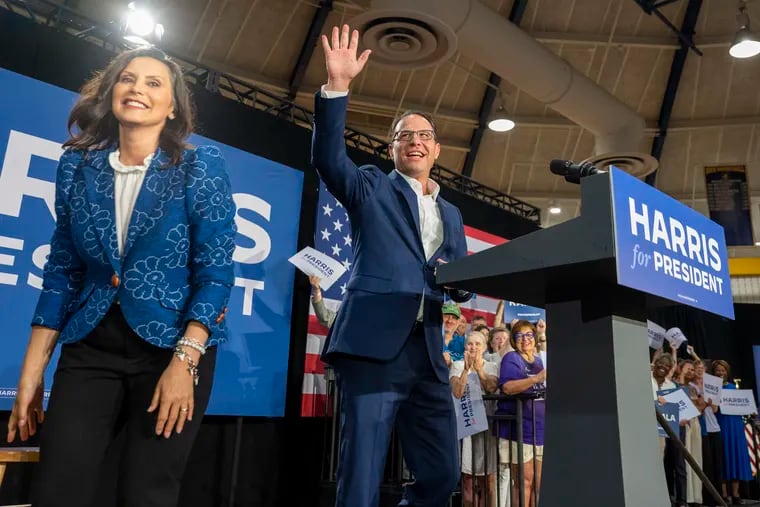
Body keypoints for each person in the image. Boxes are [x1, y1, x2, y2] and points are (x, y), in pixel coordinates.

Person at [5, 47, 236, 507]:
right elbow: (62, 269)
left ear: (172, 107)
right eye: (128, 79)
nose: (137, 89)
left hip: (173, 348)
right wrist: (32, 371)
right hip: (91, 346)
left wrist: (184, 361)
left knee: (146, 492)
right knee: (57, 489)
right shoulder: (76, 166)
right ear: (112, 91)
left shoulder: (200, 167)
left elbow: (216, 272)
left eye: (154, 83)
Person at [312, 24, 472, 507]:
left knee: (443, 476)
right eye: (406, 136)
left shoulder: (453, 213)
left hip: (428, 356)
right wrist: (337, 88)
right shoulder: (369, 186)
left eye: (426, 136)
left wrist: (462, 284)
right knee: (360, 476)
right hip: (374, 349)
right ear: (393, 149)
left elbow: (461, 282)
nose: (416, 142)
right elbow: (328, 158)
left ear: (438, 150)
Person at [496, 320, 546, 507]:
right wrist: (537, 378)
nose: (524, 339)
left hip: (540, 430)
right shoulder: (511, 358)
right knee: (524, 482)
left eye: (528, 335)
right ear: (513, 340)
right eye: (519, 336)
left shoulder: (539, 361)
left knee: (538, 484)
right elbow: (508, 387)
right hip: (520, 430)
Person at [450, 332, 499, 507]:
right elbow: (457, 391)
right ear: (465, 347)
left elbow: (492, 387)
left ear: (485, 347)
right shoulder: (457, 365)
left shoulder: (492, 365)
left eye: (478, 344)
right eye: (470, 344)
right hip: (466, 429)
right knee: (468, 480)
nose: (474, 347)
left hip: (487, 428)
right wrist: (466, 370)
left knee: (488, 479)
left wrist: (479, 370)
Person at [711, 360, 753, 505]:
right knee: (725, 458)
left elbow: (743, 406)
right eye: (718, 370)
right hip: (722, 425)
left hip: (736, 426)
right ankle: (724, 494)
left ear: (727, 372)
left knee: (736, 457)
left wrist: (750, 408)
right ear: (714, 372)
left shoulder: (733, 388)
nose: (721, 373)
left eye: (723, 370)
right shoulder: (712, 388)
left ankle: (736, 494)